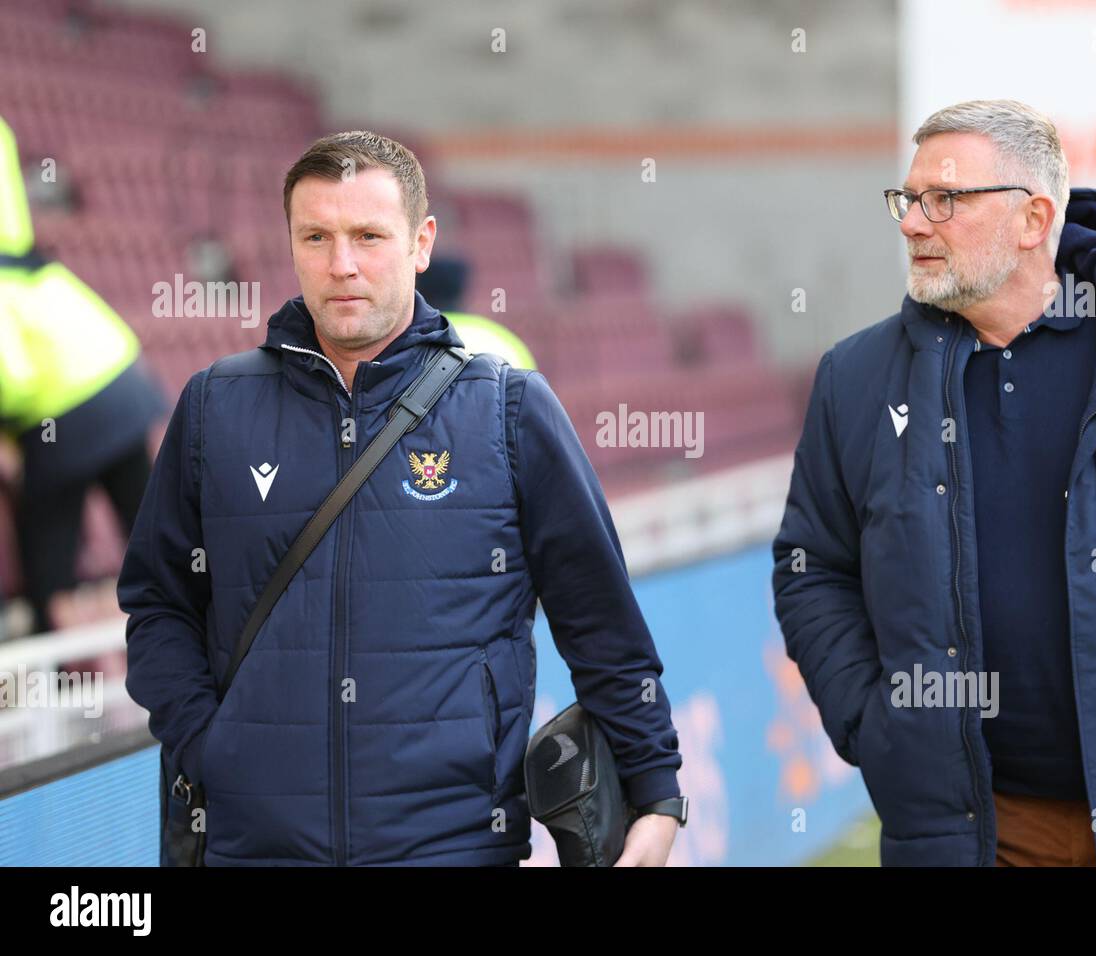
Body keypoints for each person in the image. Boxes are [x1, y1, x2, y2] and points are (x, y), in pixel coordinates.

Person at [118, 130, 685, 866]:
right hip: (254, 848)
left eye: (368, 236)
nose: (341, 264)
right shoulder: (214, 407)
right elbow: (157, 603)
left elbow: (601, 620)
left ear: (421, 243)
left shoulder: (509, 410)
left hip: (452, 845)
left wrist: (656, 792)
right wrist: (210, 747)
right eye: (315, 236)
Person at [772, 99, 1096, 867]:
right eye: (909, 199)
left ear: (1032, 218)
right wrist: (873, 722)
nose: (913, 223)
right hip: (975, 834)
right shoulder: (856, 379)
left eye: (944, 200)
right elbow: (811, 565)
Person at [0, 114, 166, 636]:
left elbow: (16, 378)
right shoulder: (21, 258)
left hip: (67, 413)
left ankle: (51, 678)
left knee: (48, 560)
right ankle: (198, 648)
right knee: (153, 536)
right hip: (118, 382)